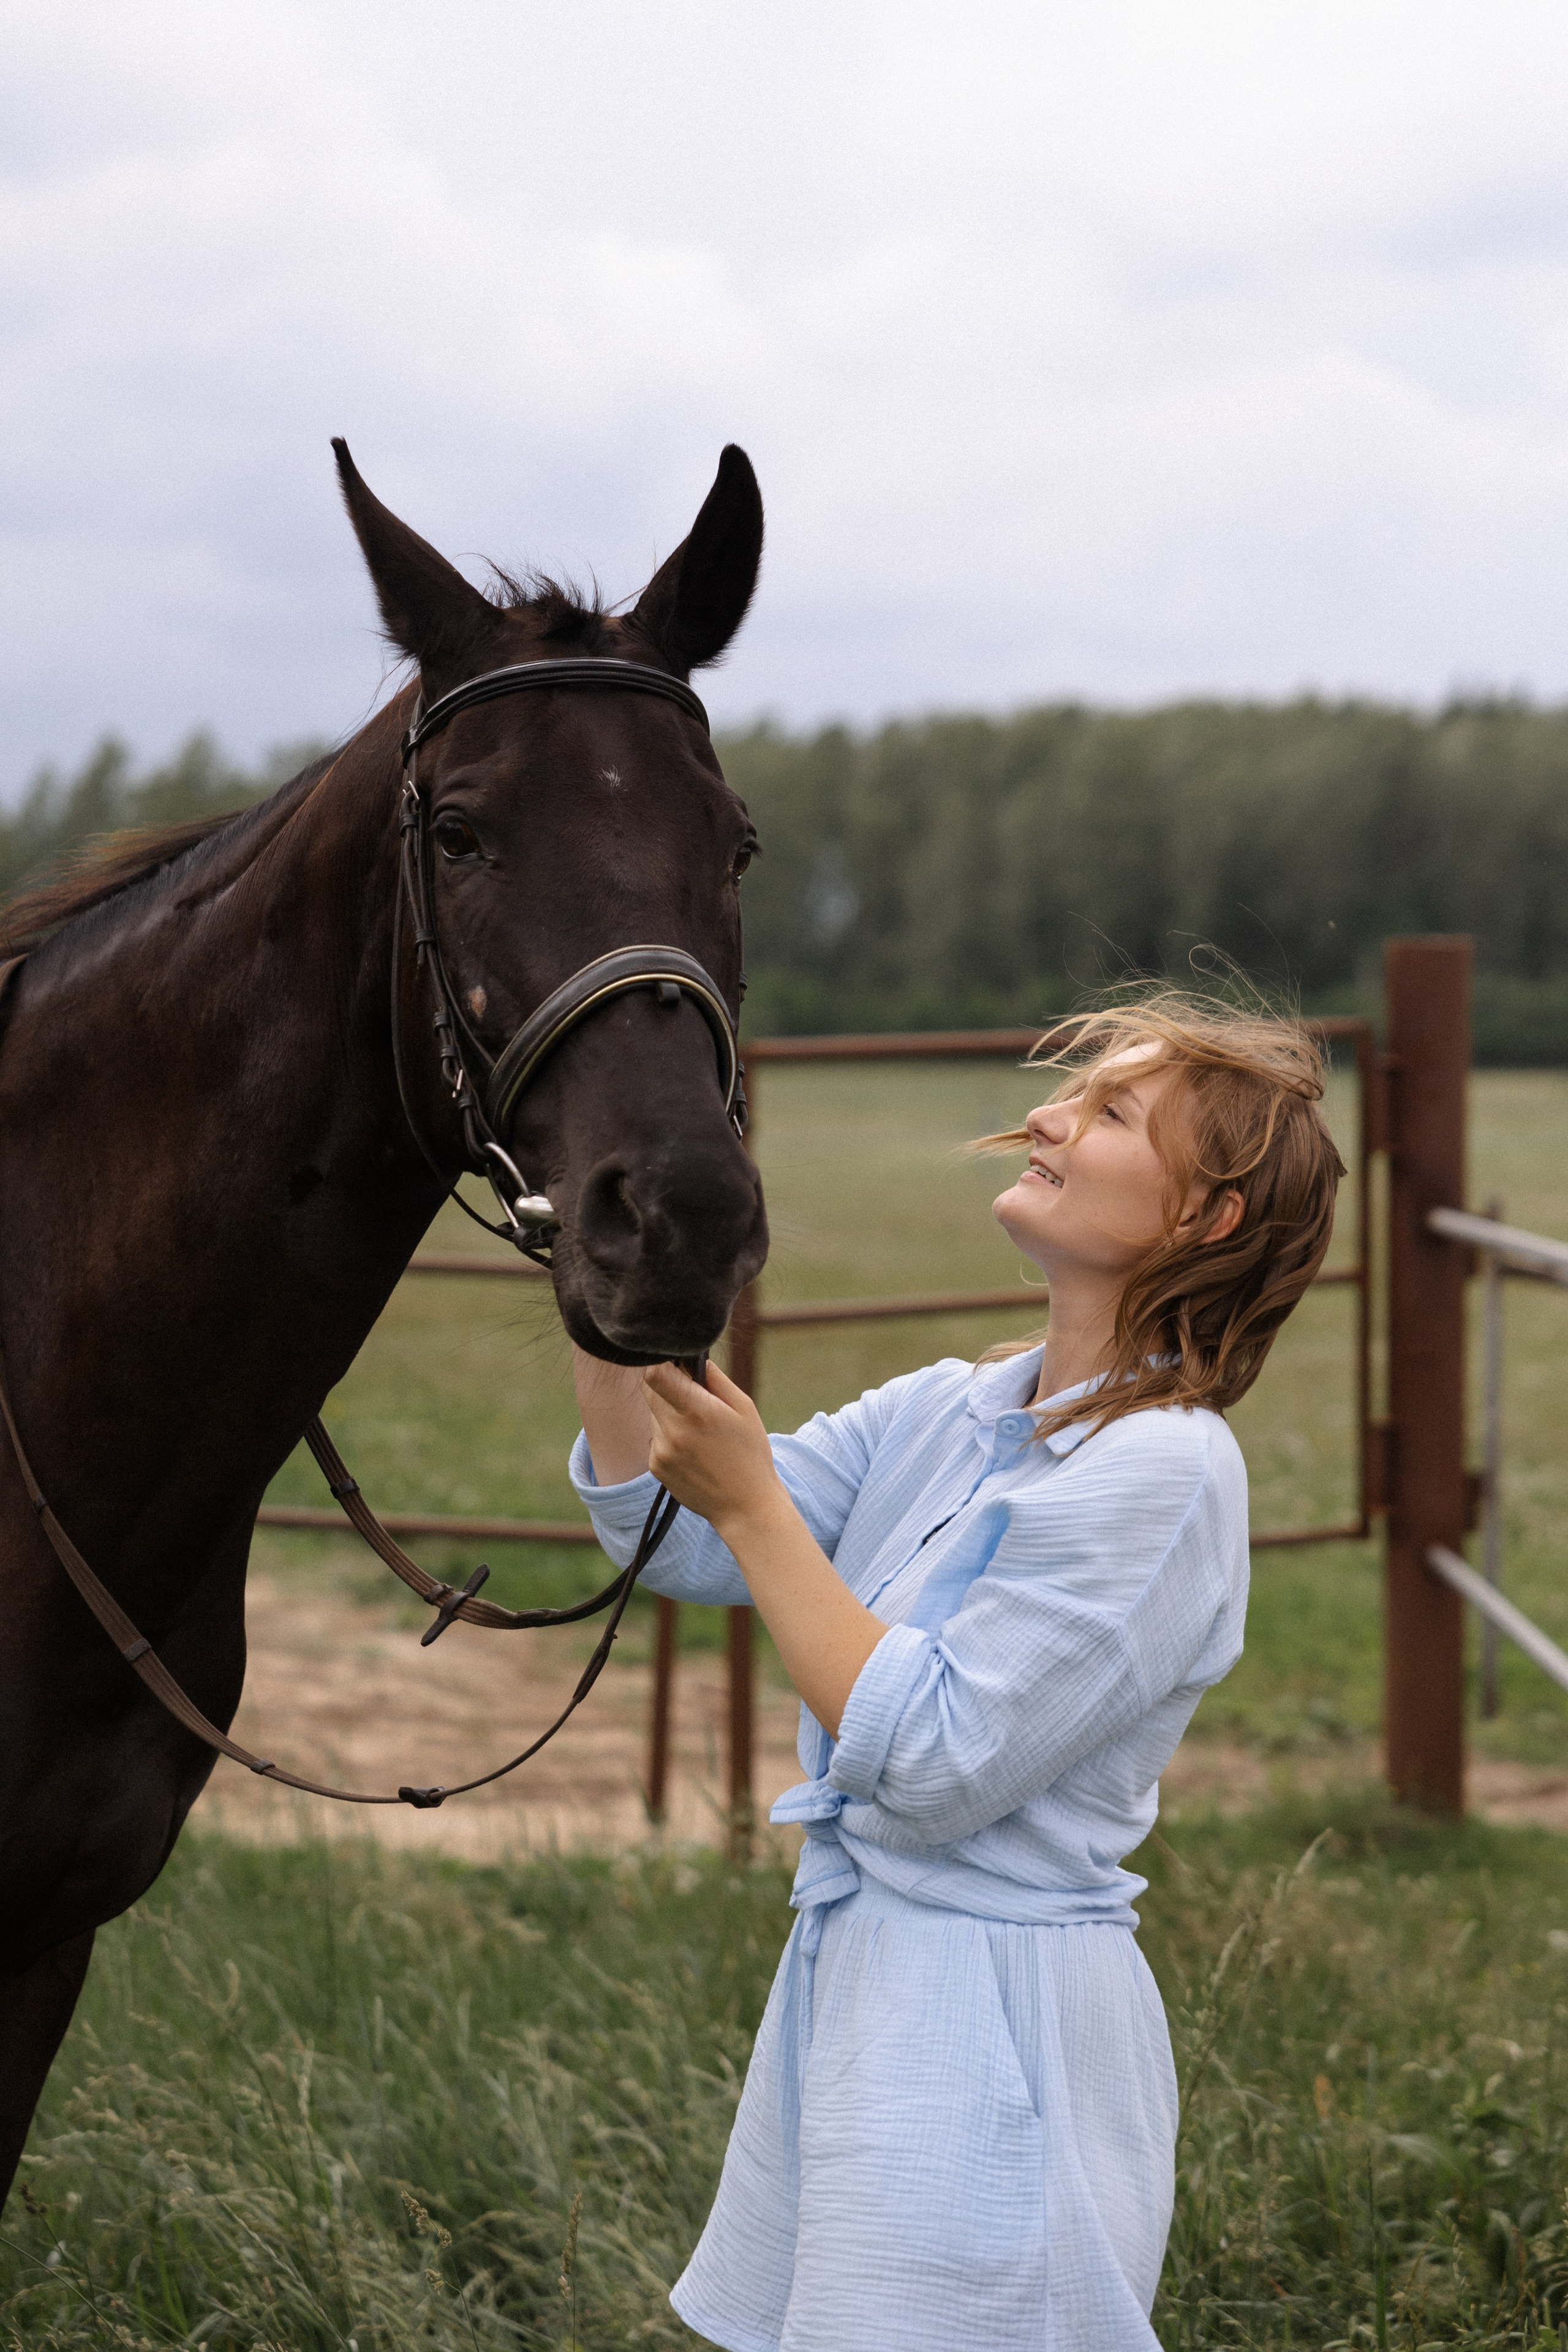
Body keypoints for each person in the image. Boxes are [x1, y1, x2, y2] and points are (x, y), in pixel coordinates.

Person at [570, 992, 1346, 2352]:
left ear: (1204, 1221)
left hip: (998, 2038)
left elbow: (931, 1763)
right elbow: (666, 1529)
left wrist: (754, 1508)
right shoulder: (954, 1406)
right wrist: (599, 1267)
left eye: (1109, 1112)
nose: (1046, 1116)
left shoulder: (1162, 1473)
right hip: (868, 1981)